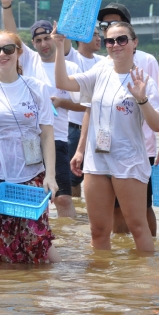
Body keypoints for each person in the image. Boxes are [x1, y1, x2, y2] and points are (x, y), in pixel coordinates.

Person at [53, 22, 159, 252]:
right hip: (97, 160)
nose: (115, 45)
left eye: (122, 39)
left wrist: (141, 99)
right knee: (98, 230)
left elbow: (157, 125)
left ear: (134, 43)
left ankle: (143, 282)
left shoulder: (143, 80)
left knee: (136, 226)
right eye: (110, 41)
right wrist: (58, 48)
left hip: (128, 160)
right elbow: (63, 83)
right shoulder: (100, 71)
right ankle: (102, 284)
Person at [0, 29, 60, 264]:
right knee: (1, 244)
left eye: (8, 49)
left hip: (31, 177)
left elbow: (47, 134)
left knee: (36, 241)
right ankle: (1, 298)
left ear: (18, 52)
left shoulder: (36, 87)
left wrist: (50, 174)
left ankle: (42, 294)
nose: (1, 55)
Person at [0, 0, 82, 218]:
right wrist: (7, 5)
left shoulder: (71, 66)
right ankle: (34, 238)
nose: (44, 44)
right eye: (38, 40)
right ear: (32, 44)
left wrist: (61, 103)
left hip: (59, 137)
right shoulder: (29, 61)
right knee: (32, 195)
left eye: (47, 38)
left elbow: (86, 107)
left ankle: (69, 245)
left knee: (63, 198)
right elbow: (11, 35)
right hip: (30, 138)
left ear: (54, 38)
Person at [74, 3, 159, 236]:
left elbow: (156, 112)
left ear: (132, 38)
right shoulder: (102, 66)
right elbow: (90, 109)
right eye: (106, 27)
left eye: (117, 29)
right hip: (102, 152)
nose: (112, 35)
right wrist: (81, 149)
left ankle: (143, 267)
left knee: (140, 214)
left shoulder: (147, 61)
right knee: (107, 220)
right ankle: (115, 271)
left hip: (139, 149)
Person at [63, 28, 104, 197]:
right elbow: (64, 42)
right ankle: (76, 218)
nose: (99, 38)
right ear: (80, 39)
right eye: (94, 34)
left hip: (100, 130)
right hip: (75, 128)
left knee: (99, 175)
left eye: (99, 34)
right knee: (74, 177)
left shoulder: (103, 61)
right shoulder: (73, 58)